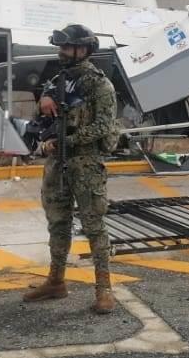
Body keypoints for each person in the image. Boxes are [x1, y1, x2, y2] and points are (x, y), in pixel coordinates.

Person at [22, 24, 120, 315]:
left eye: (67, 47)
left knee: (94, 226)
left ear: (83, 50)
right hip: (58, 162)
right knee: (57, 223)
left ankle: (104, 289)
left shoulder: (99, 85)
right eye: (61, 47)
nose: (62, 53)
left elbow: (105, 125)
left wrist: (69, 140)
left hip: (86, 163)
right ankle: (56, 280)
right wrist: (44, 104)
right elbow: (40, 117)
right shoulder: (58, 81)